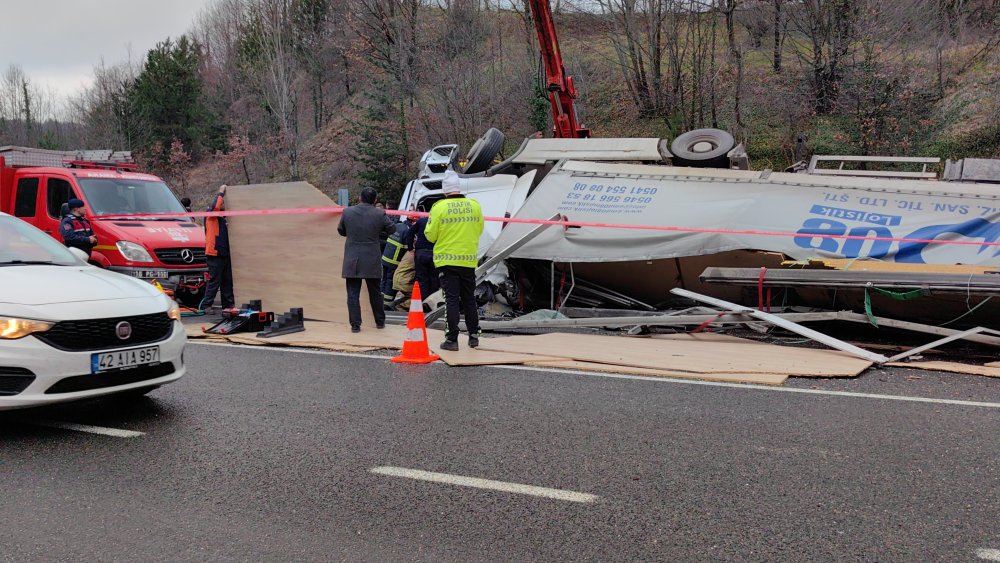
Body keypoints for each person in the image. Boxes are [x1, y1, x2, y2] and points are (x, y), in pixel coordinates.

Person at [424, 170, 484, 351]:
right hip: (468, 260)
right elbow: (479, 229)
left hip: (447, 261)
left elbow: (430, 235)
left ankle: (452, 340)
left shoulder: (439, 207)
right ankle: (474, 336)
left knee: (451, 300)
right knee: (469, 299)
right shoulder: (474, 205)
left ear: (445, 191)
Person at [338, 187, 395, 333]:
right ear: (375, 200)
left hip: (353, 258)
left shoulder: (347, 212)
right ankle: (380, 321)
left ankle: (355, 325)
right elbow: (392, 229)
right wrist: (378, 232)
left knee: (352, 293)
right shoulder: (379, 213)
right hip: (372, 258)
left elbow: (341, 230)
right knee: (375, 292)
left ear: (359, 198)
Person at [201, 185, 235, 312]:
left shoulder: (222, 219)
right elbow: (216, 206)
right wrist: (221, 192)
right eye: (223, 203)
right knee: (214, 281)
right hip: (214, 253)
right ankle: (207, 306)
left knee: (227, 281)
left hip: (224, 253)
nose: (225, 205)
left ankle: (228, 305)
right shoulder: (211, 214)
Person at [404, 207, 438, 298]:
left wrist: (410, 248)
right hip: (435, 254)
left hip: (421, 254)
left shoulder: (421, 221)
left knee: (422, 279)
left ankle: (424, 302)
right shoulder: (440, 223)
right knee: (434, 279)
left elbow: (410, 233)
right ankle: (432, 302)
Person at [380, 214, 414, 307]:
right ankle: (387, 304)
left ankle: (380, 300)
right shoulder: (407, 231)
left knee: (384, 280)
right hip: (394, 261)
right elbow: (407, 248)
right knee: (390, 281)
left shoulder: (397, 226)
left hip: (385, 257)